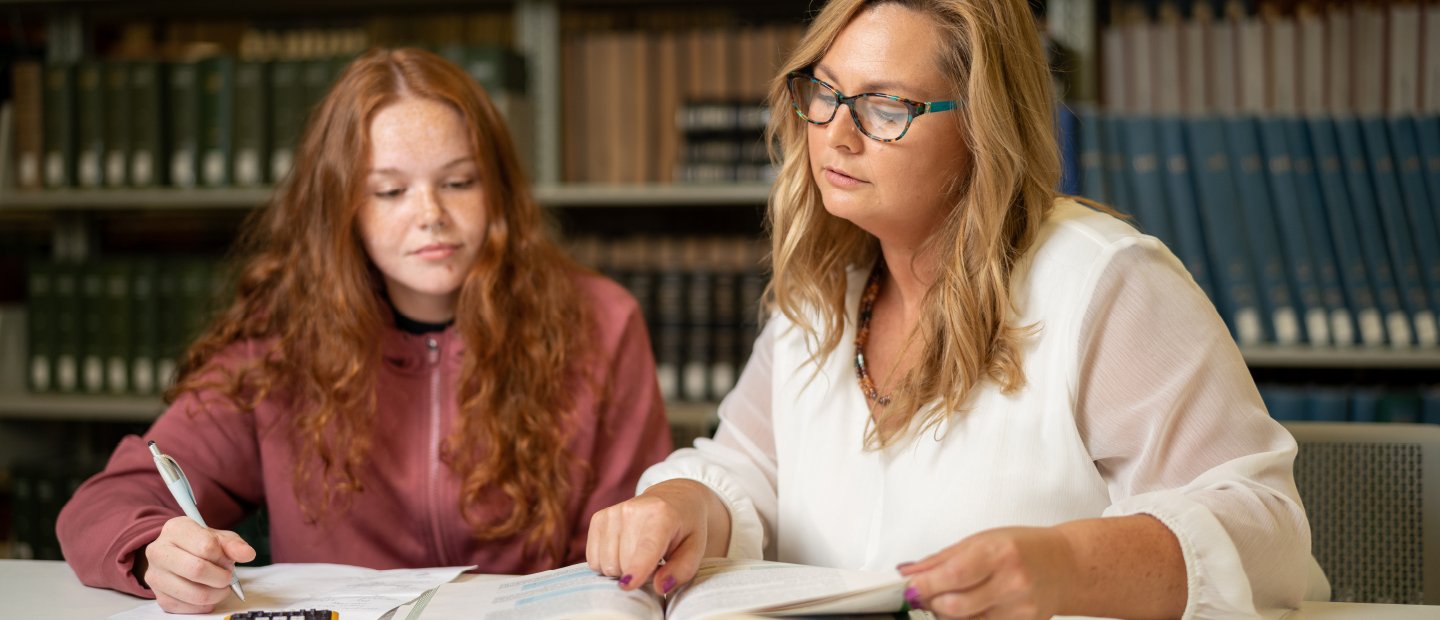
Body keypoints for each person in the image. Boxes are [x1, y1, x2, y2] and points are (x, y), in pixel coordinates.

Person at [584, 1, 1315, 618]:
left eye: (885, 106)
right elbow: (745, 473)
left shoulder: (1106, 281)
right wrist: (680, 505)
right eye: (825, 91)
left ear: (983, 129)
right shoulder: (823, 290)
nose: (836, 132)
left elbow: (1268, 531)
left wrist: (1065, 564)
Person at [57, 47, 672, 613]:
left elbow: (636, 537)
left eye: (459, 182)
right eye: (390, 190)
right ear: (342, 206)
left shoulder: (599, 322)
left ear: (499, 192)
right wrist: (155, 548)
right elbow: (104, 505)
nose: (431, 215)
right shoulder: (284, 338)